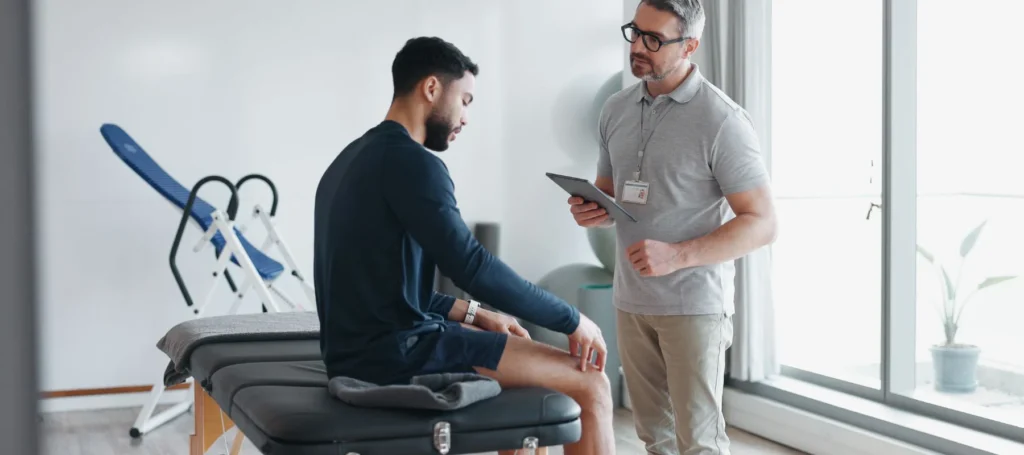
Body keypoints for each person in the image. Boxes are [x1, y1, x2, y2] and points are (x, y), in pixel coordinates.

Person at [313, 36, 616, 455]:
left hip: (358, 352)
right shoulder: (414, 164)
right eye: (466, 100)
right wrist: (572, 320)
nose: (466, 117)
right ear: (432, 88)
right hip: (398, 356)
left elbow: (385, 291)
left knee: (530, 385)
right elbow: (472, 265)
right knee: (591, 383)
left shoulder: (349, 161)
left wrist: (478, 313)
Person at [568, 1, 778, 454]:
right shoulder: (616, 109)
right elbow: (609, 193)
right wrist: (594, 209)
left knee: (699, 442)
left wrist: (678, 255)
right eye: (635, 32)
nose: (638, 47)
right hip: (632, 300)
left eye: (655, 40)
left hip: (694, 305)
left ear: (691, 46)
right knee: (653, 437)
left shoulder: (723, 121)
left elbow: (762, 224)